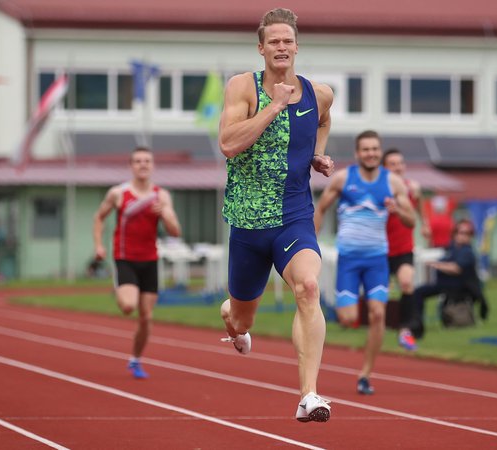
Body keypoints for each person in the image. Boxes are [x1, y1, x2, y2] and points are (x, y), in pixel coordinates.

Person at [218, 7, 335, 423]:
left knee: (307, 286)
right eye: (274, 42)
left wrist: (318, 153)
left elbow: (324, 118)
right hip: (249, 224)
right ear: (261, 48)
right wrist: (273, 107)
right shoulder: (242, 88)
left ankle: (309, 395)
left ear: (297, 47)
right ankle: (231, 318)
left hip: (293, 218)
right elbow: (229, 144)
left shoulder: (318, 92)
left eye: (288, 41)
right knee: (241, 317)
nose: (281, 48)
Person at [314, 130, 415, 395]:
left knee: (378, 314)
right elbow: (321, 208)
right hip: (349, 259)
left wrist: (398, 209)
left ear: (379, 153)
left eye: (374, 149)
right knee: (347, 318)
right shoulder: (343, 179)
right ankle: (346, 316)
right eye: (366, 149)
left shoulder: (393, 182)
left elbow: (411, 221)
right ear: (358, 153)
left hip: (376, 260)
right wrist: (309, 243)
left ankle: (365, 375)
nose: (370, 153)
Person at [93, 146, 181, 379]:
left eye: (147, 161)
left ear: (152, 166)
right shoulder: (118, 193)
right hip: (125, 259)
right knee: (128, 306)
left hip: (150, 260)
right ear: (131, 166)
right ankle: (121, 289)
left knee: (147, 317)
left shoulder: (161, 196)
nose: (143, 164)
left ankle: (135, 359)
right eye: (138, 161)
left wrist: (165, 214)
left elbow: (175, 232)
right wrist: (99, 246)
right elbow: (99, 218)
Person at [403, 219, 489, 338]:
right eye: (460, 232)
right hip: (446, 285)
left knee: (419, 292)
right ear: (455, 233)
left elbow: (456, 268)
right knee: (418, 292)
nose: (462, 236)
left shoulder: (467, 252)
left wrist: (436, 264)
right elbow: (442, 256)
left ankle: (416, 322)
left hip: (458, 287)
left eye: (467, 233)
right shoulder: (453, 249)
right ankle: (416, 321)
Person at [381, 148, 428, 351]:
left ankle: (405, 330)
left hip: (403, 247)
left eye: (400, 163)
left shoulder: (412, 187)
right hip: (380, 249)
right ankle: (378, 328)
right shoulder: (378, 188)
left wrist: (425, 223)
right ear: (384, 168)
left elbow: (419, 204)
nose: (398, 167)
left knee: (407, 283)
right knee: (380, 294)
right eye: (393, 164)